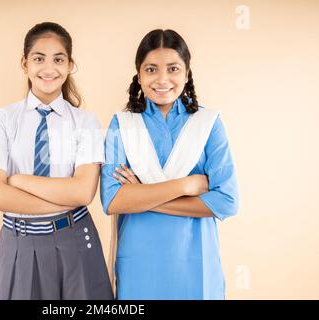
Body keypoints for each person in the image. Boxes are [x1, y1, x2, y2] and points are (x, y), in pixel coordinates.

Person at [0, 22, 113, 300]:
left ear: (70, 65)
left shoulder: (85, 122)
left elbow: (84, 192)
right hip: (19, 244)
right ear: (24, 64)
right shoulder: (1, 121)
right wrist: (65, 198)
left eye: (58, 59)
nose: (49, 69)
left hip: (76, 241)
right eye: (39, 58)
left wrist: (16, 181)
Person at [100, 29, 239, 299]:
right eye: (151, 69)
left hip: (196, 265)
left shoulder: (208, 124)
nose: (162, 79)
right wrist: (186, 185)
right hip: (138, 264)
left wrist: (142, 195)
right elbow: (112, 200)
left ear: (186, 74)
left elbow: (227, 201)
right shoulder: (122, 125)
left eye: (173, 68)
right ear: (139, 76)